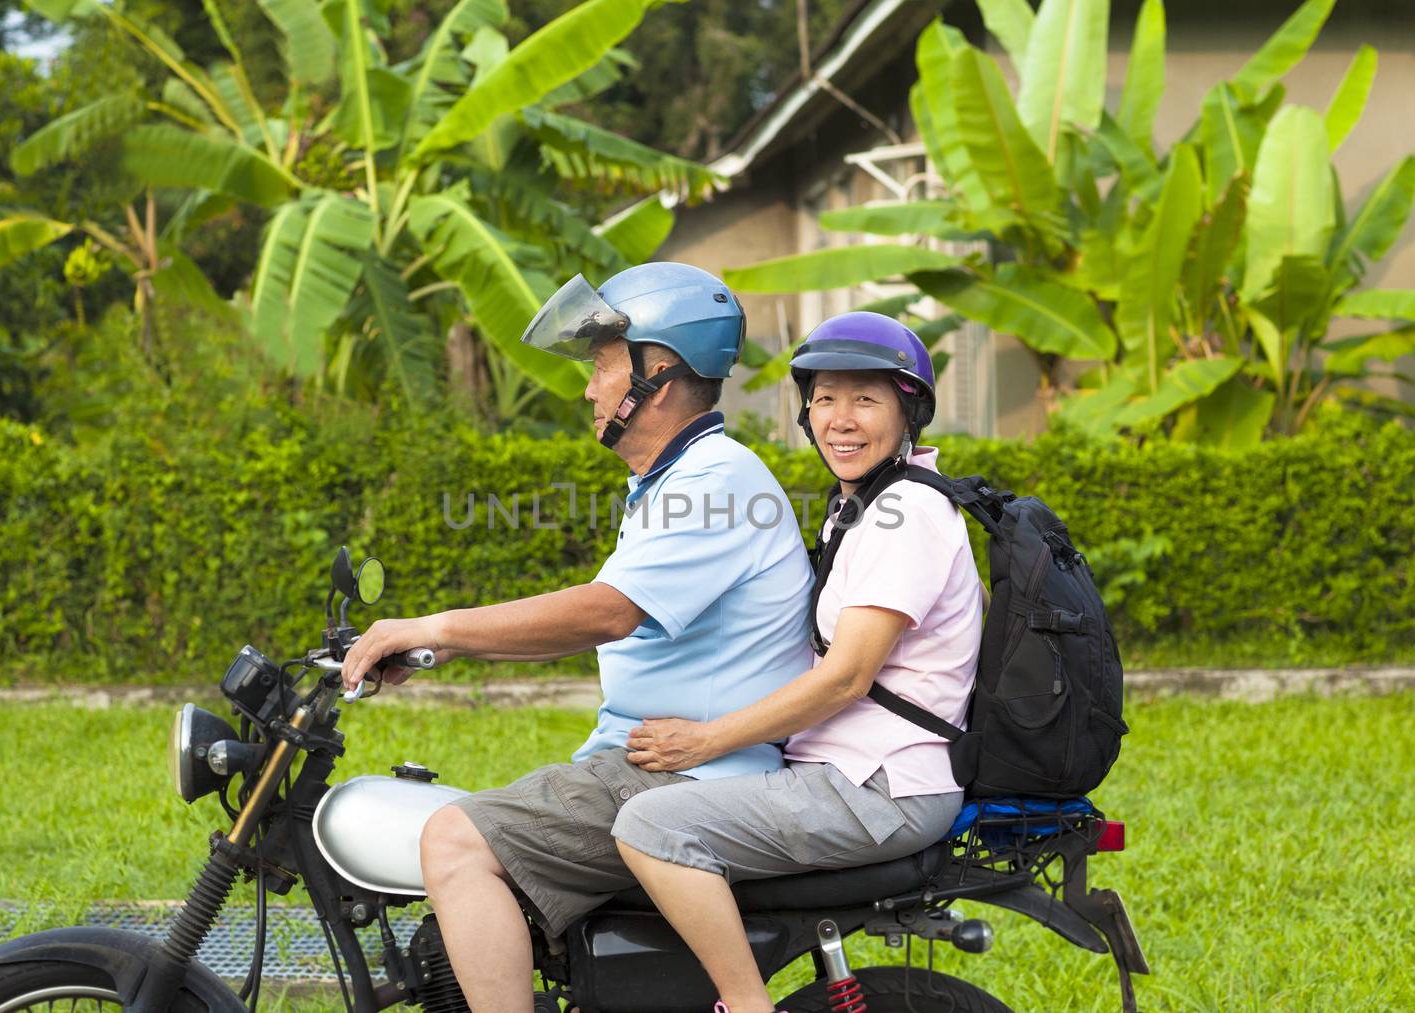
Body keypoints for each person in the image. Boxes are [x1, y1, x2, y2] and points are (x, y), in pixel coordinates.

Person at [339, 263, 815, 1013]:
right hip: (649, 761)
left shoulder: (716, 481)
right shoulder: (674, 482)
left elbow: (606, 611)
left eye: (601, 364)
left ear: (656, 372)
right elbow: (601, 616)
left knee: (454, 839)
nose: (589, 387)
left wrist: (439, 629)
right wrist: (432, 651)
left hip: (686, 779)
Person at [610, 310, 986, 1013]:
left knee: (652, 825)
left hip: (881, 786)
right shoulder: (864, 507)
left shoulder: (907, 514)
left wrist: (707, 738)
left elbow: (846, 676)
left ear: (910, 413)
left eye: (866, 399)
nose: (841, 419)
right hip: (849, 772)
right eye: (824, 399)